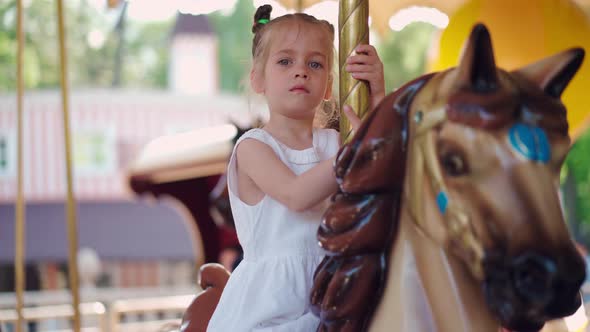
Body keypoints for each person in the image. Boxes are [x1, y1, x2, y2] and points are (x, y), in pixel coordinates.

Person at [207, 4, 385, 331]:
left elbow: (379, 183)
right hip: (272, 306)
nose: (301, 70)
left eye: (315, 63)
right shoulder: (254, 147)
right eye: (285, 61)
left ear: (329, 85)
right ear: (258, 79)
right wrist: (354, 151)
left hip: (333, 286)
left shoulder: (336, 143)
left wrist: (376, 102)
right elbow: (296, 194)